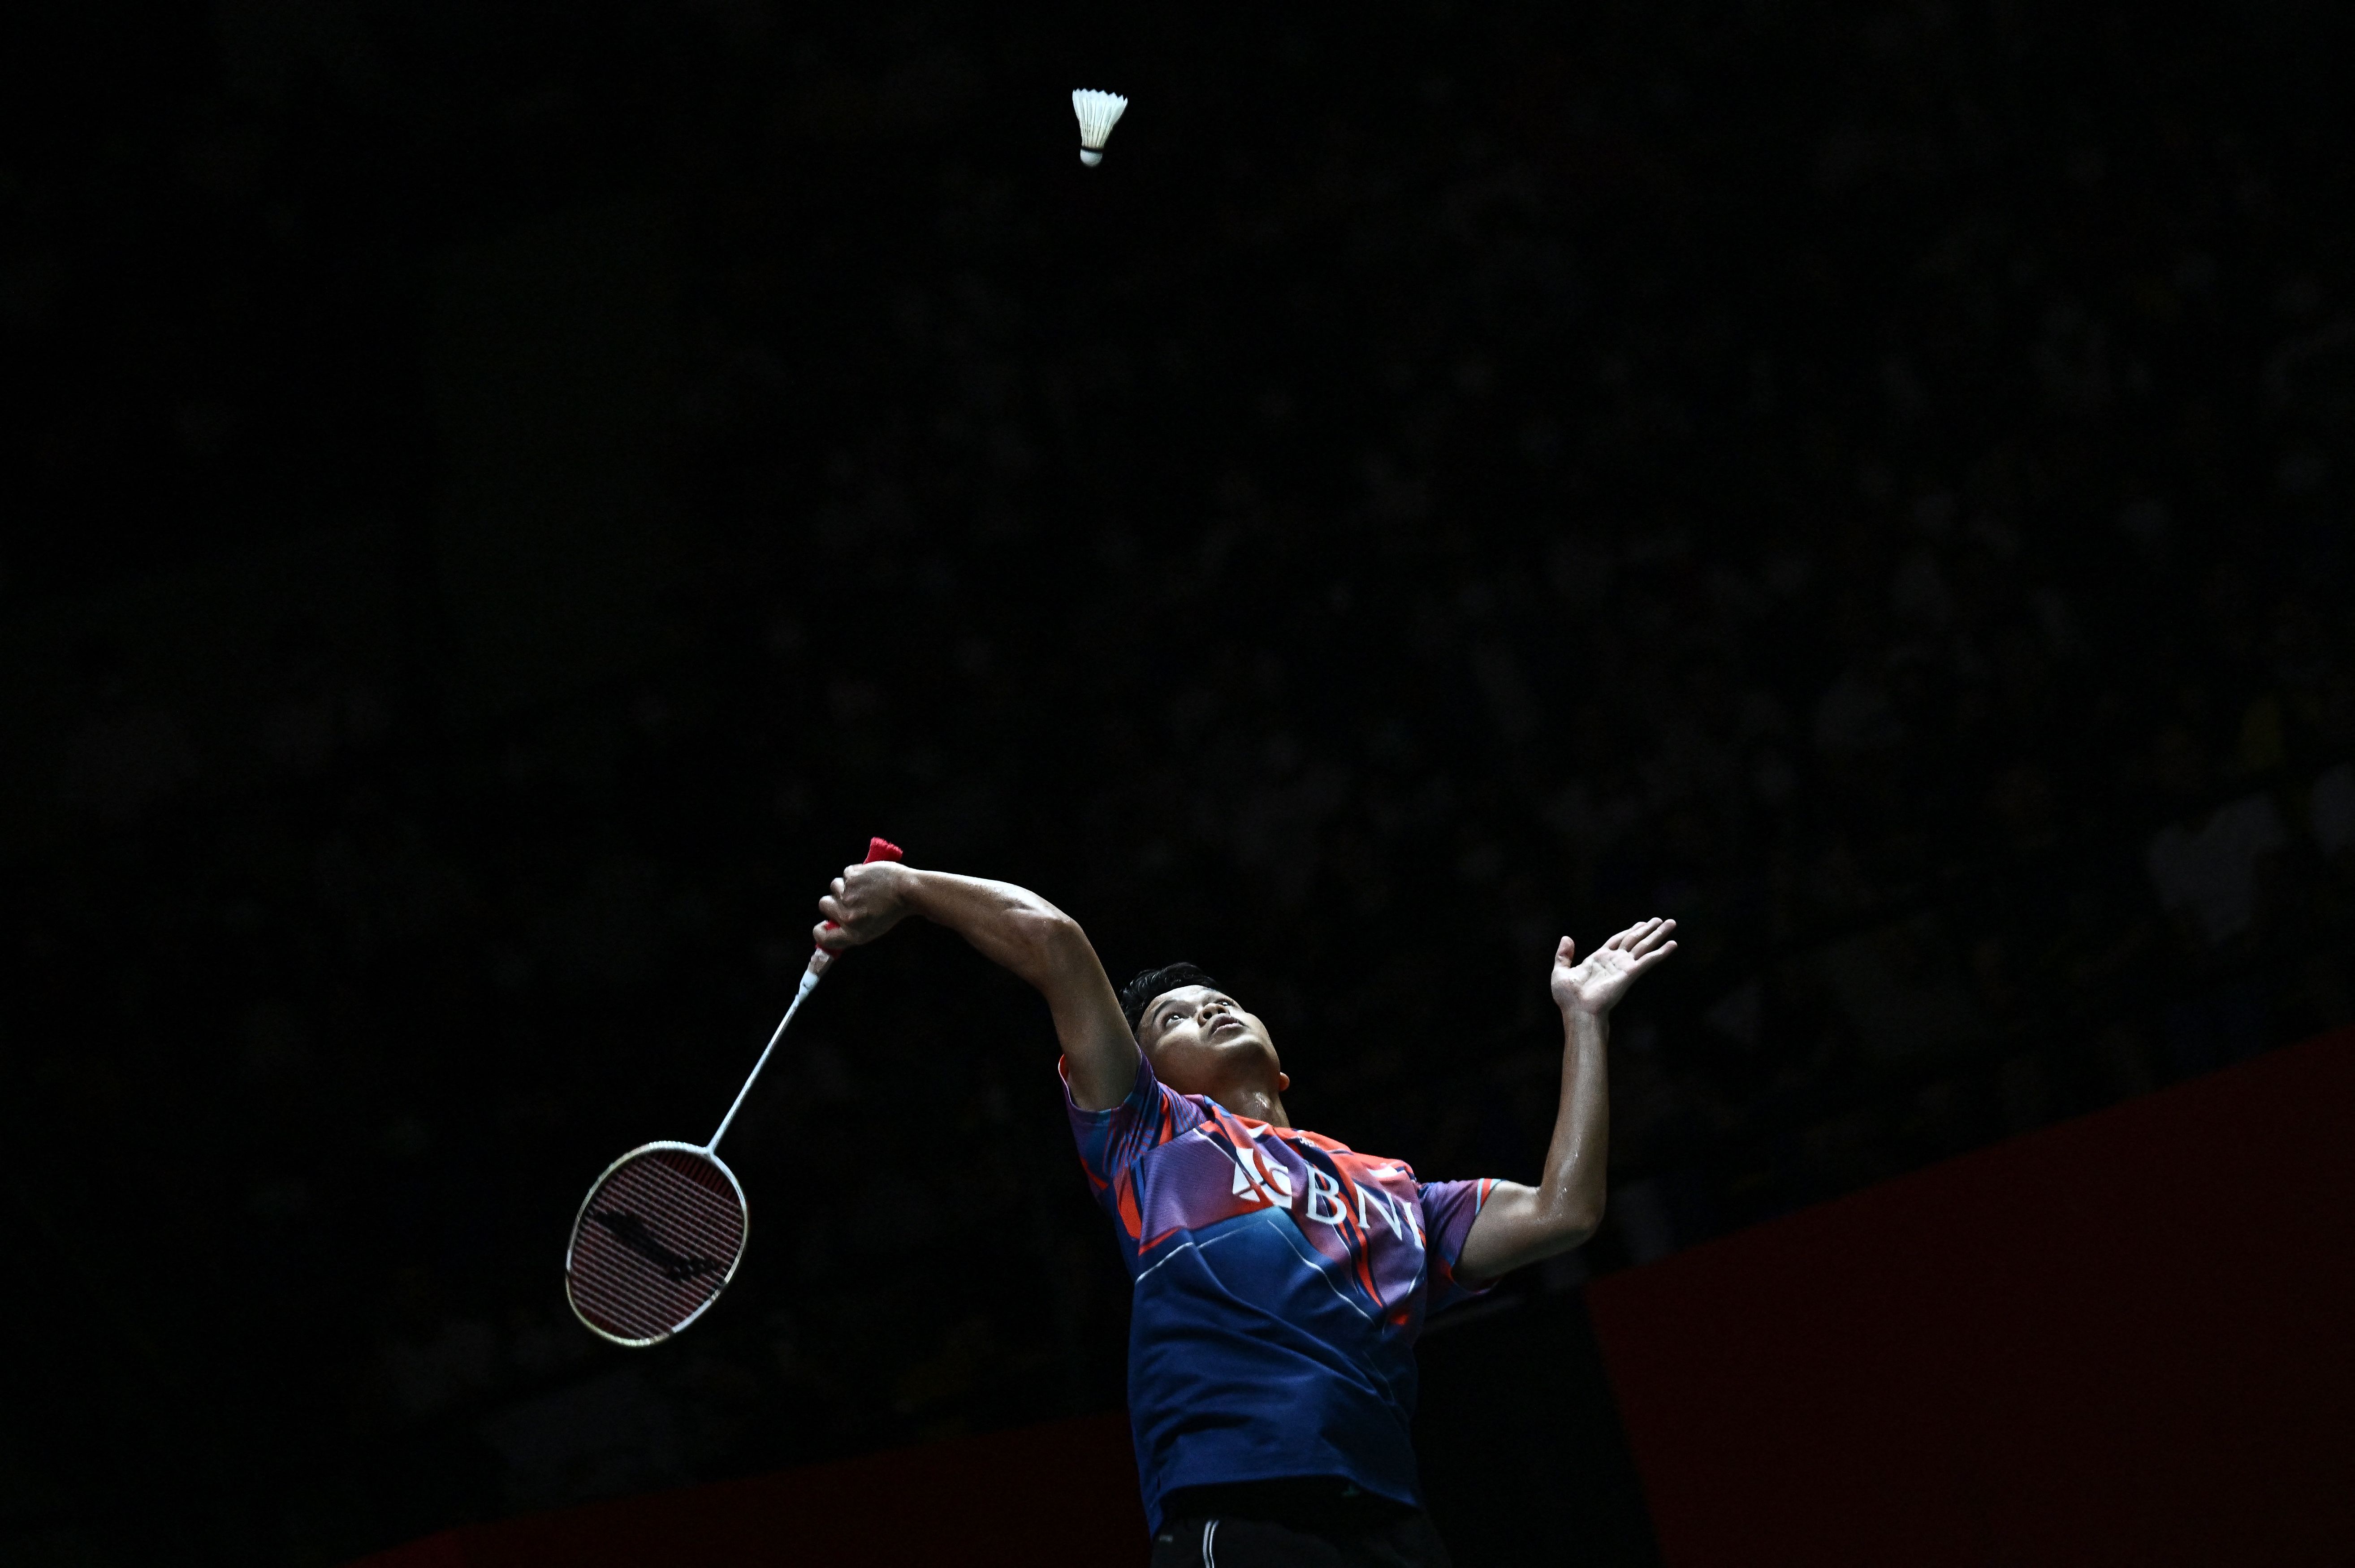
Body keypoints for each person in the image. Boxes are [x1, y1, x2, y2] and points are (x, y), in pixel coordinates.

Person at [816, 860, 1677, 1567]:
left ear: (1282, 1061)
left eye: (1218, 999)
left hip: (1392, 1524)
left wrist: (1584, 1023)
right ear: (1145, 1068)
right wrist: (911, 890)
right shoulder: (1149, 1134)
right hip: (1240, 1512)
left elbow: (1566, 1212)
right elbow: (1056, 942)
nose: (1207, 1008)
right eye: (1172, 1019)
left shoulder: (1400, 1195)